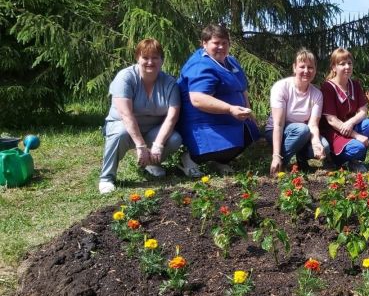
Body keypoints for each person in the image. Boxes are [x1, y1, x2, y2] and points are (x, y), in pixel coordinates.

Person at [99, 38, 189, 194]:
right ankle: (107, 178)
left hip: (153, 129)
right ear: (137, 58)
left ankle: (152, 163)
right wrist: (140, 146)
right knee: (120, 134)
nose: (150, 62)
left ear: (161, 60)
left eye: (155, 58)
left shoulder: (170, 83)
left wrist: (159, 144)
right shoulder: (125, 77)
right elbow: (126, 115)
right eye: (145, 57)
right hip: (122, 125)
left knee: (174, 139)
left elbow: (172, 117)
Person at [176, 24, 260, 175]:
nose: (221, 47)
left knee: (251, 132)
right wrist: (230, 109)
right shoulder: (200, 65)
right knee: (229, 144)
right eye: (216, 43)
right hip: (202, 122)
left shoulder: (231, 61)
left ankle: (219, 161)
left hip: (228, 119)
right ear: (204, 43)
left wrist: (249, 113)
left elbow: (242, 89)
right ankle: (191, 159)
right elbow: (198, 99)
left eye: (224, 43)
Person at [265, 48, 325, 175]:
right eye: (302, 66)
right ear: (294, 68)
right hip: (276, 130)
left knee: (324, 145)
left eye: (310, 67)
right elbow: (278, 124)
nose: (306, 71)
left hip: (302, 132)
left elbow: (313, 124)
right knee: (302, 130)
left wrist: (316, 143)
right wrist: (276, 155)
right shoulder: (281, 87)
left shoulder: (317, 94)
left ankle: (301, 160)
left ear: (315, 70)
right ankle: (279, 163)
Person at [319, 48, 369, 172]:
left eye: (349, 63)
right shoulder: (327, 87)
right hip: (334, 132)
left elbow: (363, 110)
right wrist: (356, 136)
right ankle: (333, 159)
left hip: (349, 127)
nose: (347, 67)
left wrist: (350, 123)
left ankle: (354, 161)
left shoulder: (355, 84)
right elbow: (331, 120)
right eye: (342, 64)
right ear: (334, 67)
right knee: (359, 147)